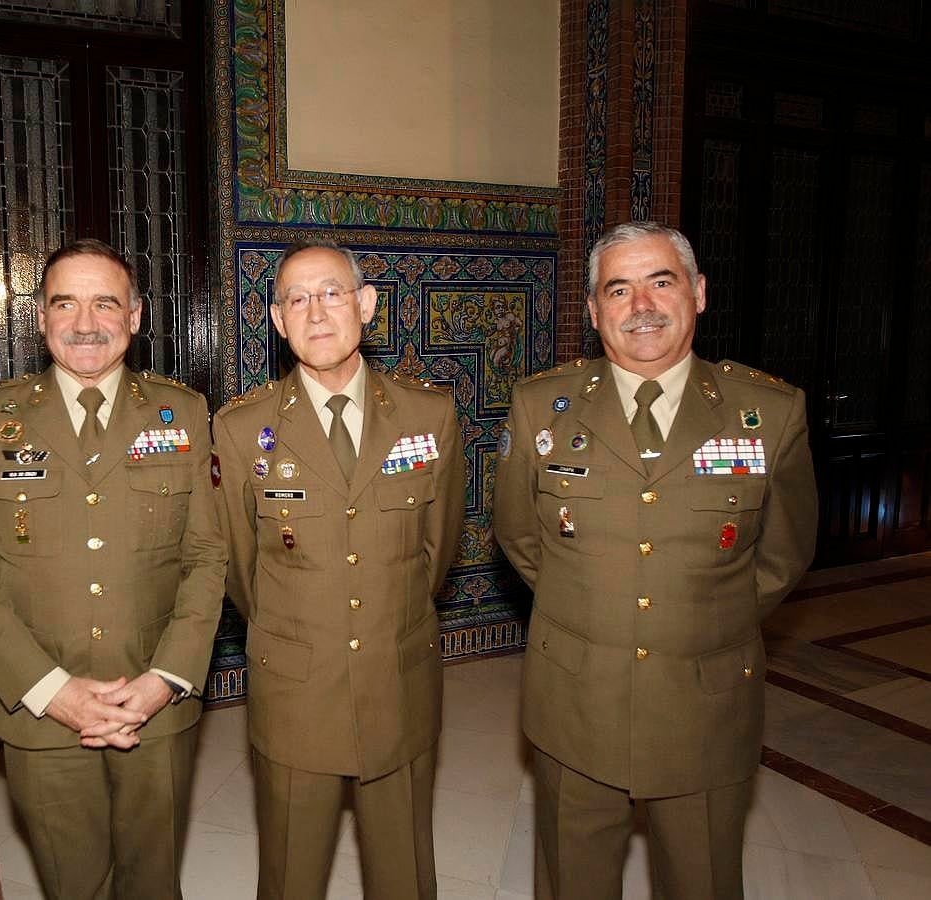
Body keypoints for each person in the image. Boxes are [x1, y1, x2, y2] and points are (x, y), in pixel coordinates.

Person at [493, 221, 818, 899]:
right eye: (619, 289)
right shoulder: (538, 409)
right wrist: (592, 606)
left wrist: (699, 618)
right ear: (594, 311)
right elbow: (523, 540)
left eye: (660, 281)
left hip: (705, 705)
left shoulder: (768, 412)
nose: (641, 305)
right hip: (575, 701)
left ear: (697, 293)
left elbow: (782, 556)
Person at [0, 238, 226, 900]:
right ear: (39, 317)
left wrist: (167, 677)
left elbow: (209, 556)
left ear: (135, 317)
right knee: (73, 883)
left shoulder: (182, 413)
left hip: (156, 701)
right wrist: (48, 689)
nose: (85, 323)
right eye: (65, 303)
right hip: (40, 705)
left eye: (106, 303)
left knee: (153, 881)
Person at [212, 238, 465, 899]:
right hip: (296, 692)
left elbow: (434, 555)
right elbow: (242, 569)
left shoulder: (429, 416)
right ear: (276, 320)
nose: (316, 312)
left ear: (368, 304)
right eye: (296, 299)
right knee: (292, 874)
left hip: (399, 679)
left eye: (332, 293)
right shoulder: (242, 430)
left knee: (404, 872)